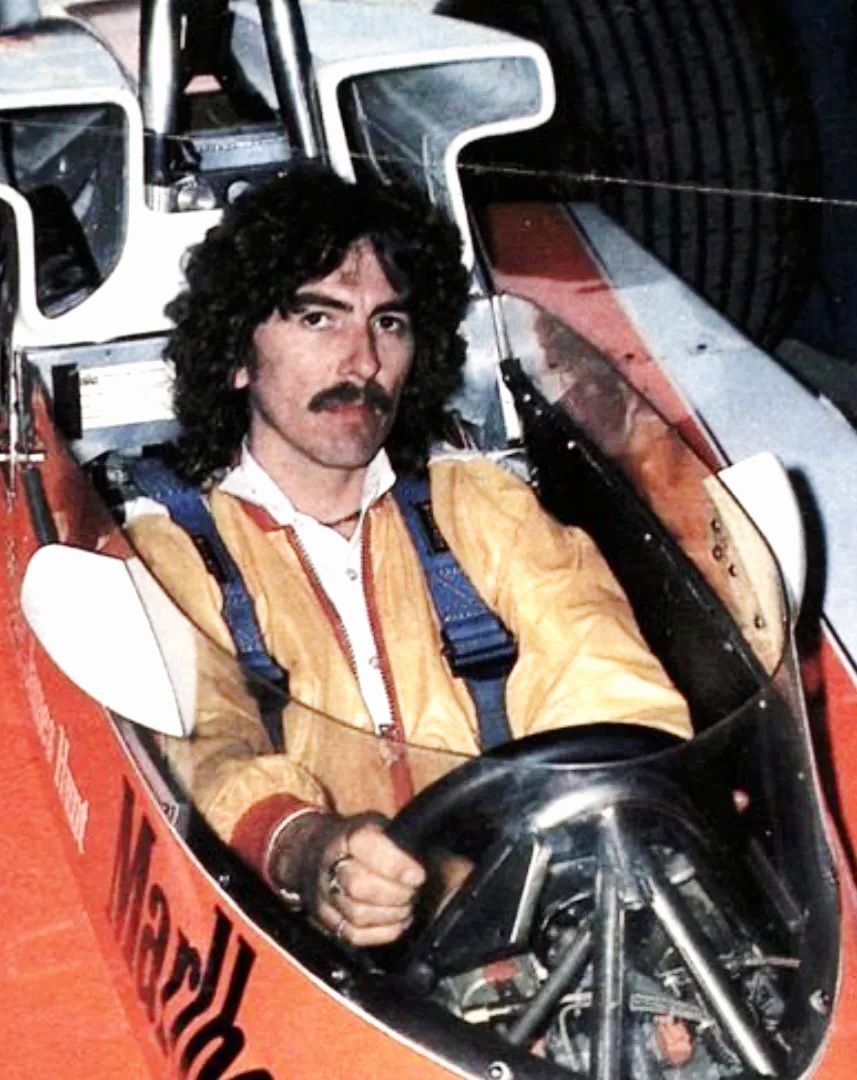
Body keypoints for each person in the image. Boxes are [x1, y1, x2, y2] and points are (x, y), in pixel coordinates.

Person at [126, 166, 691, 948]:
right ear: (238, 356)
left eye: (388, 324)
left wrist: (637, 807)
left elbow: (598, 669)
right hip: (301, 944)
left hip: (528, 914)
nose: (362, 362)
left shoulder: (477, 507)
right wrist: (311, 851)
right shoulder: (172, 555)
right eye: (318, 320)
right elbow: (206, 747)